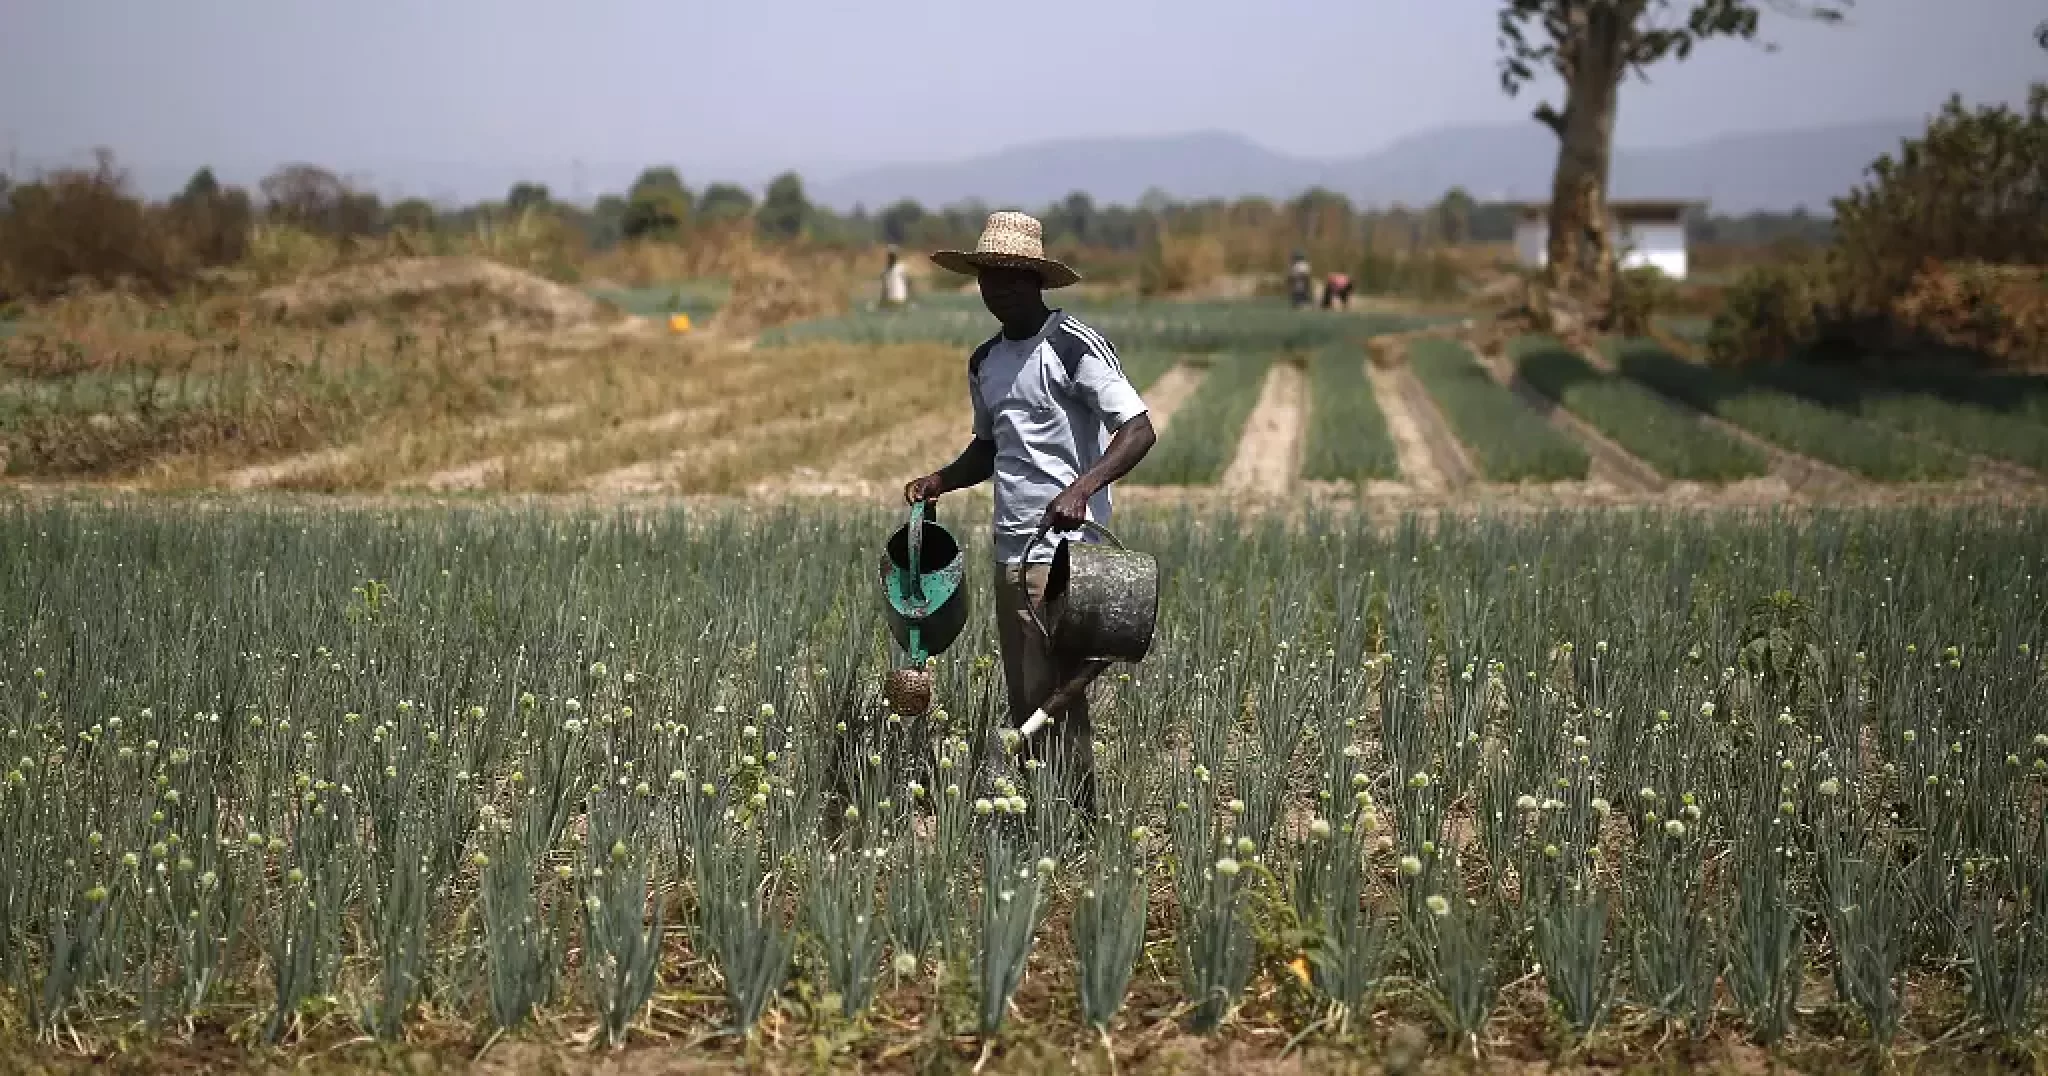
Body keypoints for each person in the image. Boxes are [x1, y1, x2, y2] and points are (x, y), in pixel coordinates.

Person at [904, 212, 1156, 807]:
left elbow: (1138, 429)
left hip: (1068, 554)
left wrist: (1083, 487)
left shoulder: (1072, 345)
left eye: (1016, 276)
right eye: (992, 277)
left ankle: (1077, 819)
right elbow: (991, 447)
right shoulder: (985, 361)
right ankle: (1045, 816)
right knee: (1026, 691)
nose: (1003, 288)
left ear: (1038, 281)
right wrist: (942, 478)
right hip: (1010, 548)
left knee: (1057, 694)